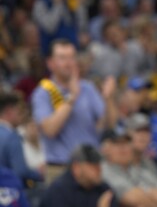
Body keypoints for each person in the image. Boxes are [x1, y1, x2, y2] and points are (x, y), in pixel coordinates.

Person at [31, 39, 118, 182]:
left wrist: (108, 99)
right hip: (60, 168)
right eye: (62, 58)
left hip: (91, 166)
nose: (68, 63)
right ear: (50, 63)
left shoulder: (88, 88)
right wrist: (72, 97)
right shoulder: (43, 93)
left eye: (71, 57)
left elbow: (110, 124)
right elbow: (49, 129)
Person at [101, 127, 157, 207]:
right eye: (117, 143)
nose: (123, 148)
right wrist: (154, 195)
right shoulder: (104, 170)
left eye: (126, 143)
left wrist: (145, 194)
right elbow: (132, 198)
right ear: (106, 149)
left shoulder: (137, 169)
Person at [39, 144, 116, 207]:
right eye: (93, 166)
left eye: (99, 164)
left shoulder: (102, 189)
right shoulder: (59, 191)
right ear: (77, 168)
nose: (99, 169)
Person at [0, 92, 43, 184]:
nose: (20, 116)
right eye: (18, 111)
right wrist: (39, 173)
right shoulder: (12, 137)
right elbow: (20, 172)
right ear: (9, 111)